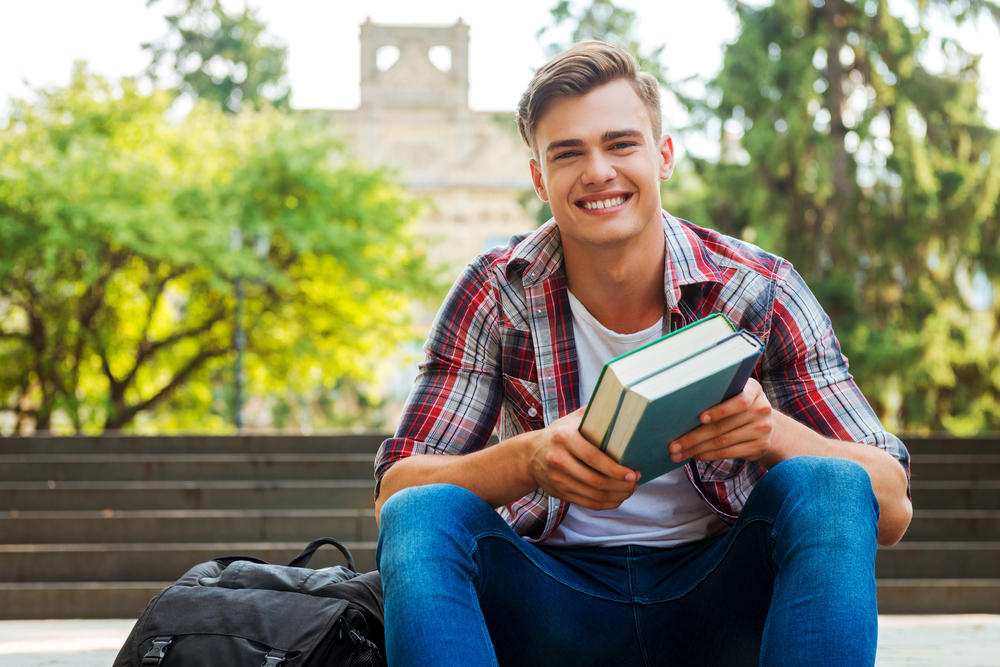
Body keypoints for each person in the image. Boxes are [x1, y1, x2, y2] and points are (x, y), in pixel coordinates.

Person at [373, 41, 912, 667]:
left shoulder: (758, 287)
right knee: (423, 513)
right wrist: (527, 460)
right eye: (568, 153)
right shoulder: (496, 291)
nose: (597, 171)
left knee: (828, 481)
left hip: (720, 600)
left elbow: (891, 504)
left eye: (620, 144)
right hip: (551, 601)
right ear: (539, 179)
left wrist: (770, 434)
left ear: (663, 156)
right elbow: (396, 498)